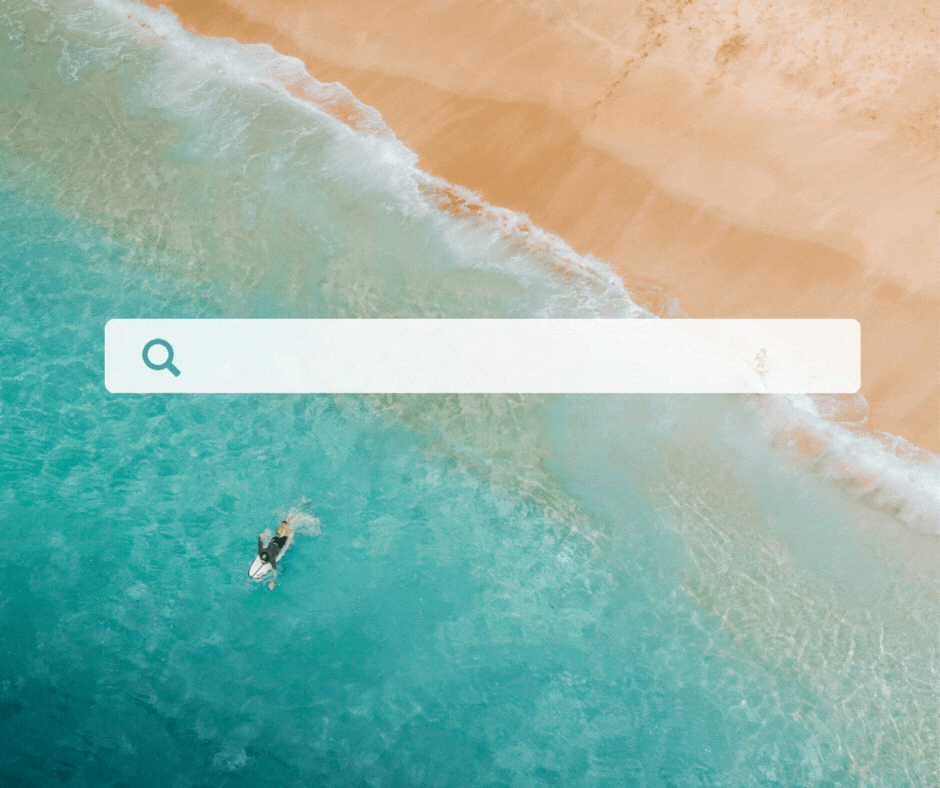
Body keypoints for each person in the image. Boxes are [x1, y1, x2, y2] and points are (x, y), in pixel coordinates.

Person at [258, 518, 292, 589]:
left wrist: (273, 581)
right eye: (262, 560)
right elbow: (259, 544)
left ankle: (290, 524)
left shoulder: (272, 559)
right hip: (274, 542)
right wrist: (260, 537)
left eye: (262, 561)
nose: (262, 561)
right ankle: (286, 521)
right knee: (278, 533)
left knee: (286, 535)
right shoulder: (261, 551)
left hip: (279, 545)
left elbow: (275, 572)